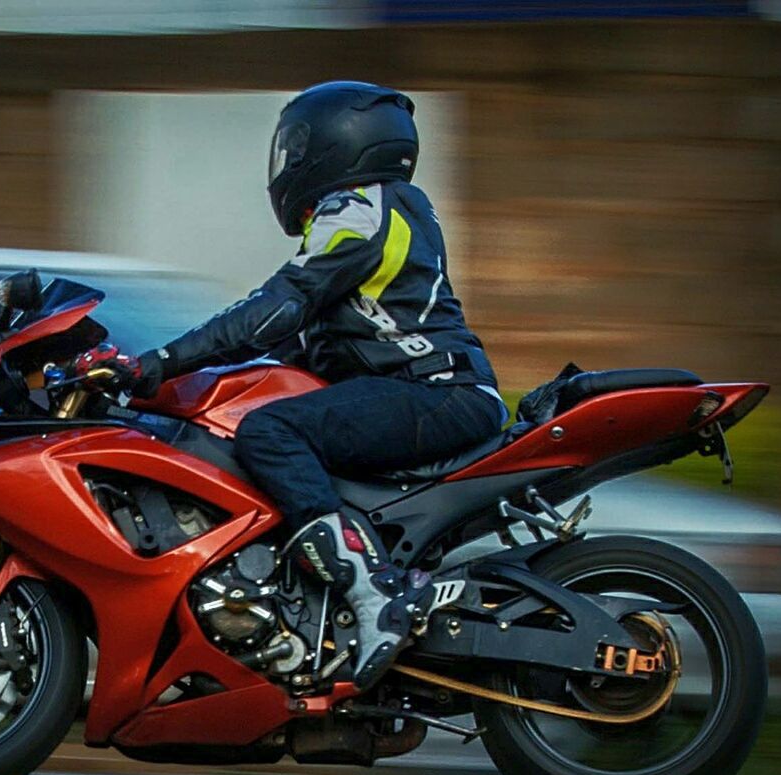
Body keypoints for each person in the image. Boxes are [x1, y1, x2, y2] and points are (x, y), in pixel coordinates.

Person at [118, 81, 506, 691]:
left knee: (271, 430)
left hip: (435, 391)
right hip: (427, 390)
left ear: (337, 142)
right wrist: (161, 381)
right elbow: (283, 339)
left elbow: (279, 306)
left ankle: (373, 599)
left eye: (295, 147)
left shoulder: (361, 207)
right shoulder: (384, 209)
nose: (287, 164)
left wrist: (165, 359)